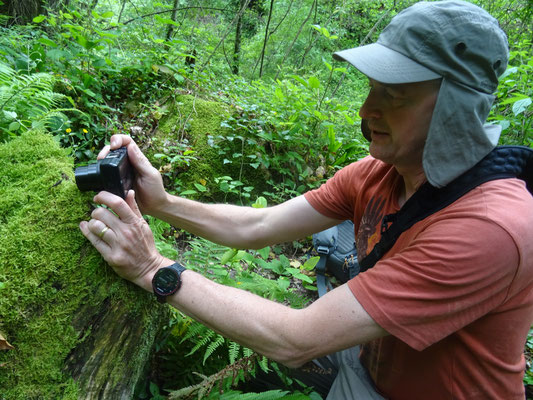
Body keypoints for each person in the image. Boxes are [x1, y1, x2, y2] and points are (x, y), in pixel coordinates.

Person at [79, 1, 533, 399]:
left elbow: (296, 340)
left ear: (458, 107)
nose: (366, 110)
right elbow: (255, 228)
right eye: (372, 87)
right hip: (364, 371)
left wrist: (151, 268)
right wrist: (161, 203)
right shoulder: (379, 175)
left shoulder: (489, 229)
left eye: (393, 95)